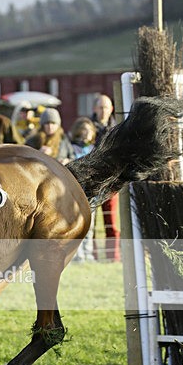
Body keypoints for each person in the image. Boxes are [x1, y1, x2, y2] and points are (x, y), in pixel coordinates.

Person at [91, 94, 120, 262]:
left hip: (111, 181)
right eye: (100, 107)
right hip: (92, 182)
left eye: (106, 107)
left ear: (111, 109)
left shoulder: (117, 129)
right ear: (94, 109)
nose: (103, 111)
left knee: (112, 223)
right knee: (91, 224)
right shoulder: (87, 127)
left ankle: (112, 257)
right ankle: (92, 255)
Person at [68, 117, 97, 262]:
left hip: (91, 192)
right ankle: (77, 254)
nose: (86, 133)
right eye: (84, 130)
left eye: (89, 130)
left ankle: (88, 253)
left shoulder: (94, 149)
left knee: (89, 226)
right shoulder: (72, 148)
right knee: (77, 224)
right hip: (76, 192)